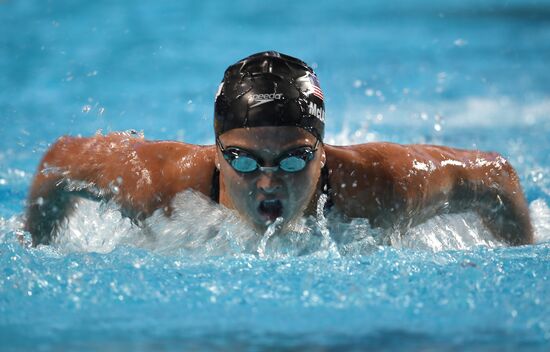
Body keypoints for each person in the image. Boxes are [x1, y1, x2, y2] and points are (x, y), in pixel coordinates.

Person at [25, 51, 534, 246]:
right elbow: (58, 163)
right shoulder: (162, 187)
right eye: (243, 160)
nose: (268, 182)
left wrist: (523, 254)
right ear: (217, 150)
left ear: (323, 152)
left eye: (293, 158)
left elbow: (497, 176)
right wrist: (39, 246)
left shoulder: (383, 188)